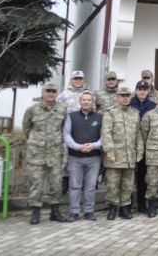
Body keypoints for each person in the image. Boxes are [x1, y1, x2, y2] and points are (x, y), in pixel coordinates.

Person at [24, 82, 68, 225]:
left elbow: (63, 129)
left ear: (56, 93)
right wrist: (36, 142)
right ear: (43, 93)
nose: (50, 93)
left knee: (56, 183)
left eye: (53, 91)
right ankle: (35, 212)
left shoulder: (62, 110)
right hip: (37, 153)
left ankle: (55, 212)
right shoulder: (32, 109)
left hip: (55, 153)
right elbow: (26, 128)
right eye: (48, 91)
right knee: (36, 183)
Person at [101, 87, 144, 220]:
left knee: (128, 184)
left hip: (130, 156)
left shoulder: (135, 113)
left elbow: (138, 134)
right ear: (117, 97)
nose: (125, 98)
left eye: (127, 95)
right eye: (122, 95)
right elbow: (106, 133)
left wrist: (140, 151)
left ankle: (125, 208)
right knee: (113, 184)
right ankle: (113, 207)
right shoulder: (110, 113)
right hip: (115, 156)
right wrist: (109, 151)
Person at [63, 90, 102, 221]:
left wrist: (94, 145)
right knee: (74, 186)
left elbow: (104, 136)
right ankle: (74, 211)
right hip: (75, 157)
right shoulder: (71, 116)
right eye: (84, 100)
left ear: (92, 102)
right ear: (80, 102)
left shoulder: (99, 117)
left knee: (90, 187)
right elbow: (66, 135)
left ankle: (89, 211)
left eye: (88, 100)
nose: (86, 102)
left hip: (94, 157)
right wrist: (78, 147)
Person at [130, 80, 156, 214]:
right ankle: (126, 206)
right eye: (139, 89)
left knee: (142, 178)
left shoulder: (152, 105)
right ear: (136, 91)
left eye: (145, 89)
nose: (142, 91)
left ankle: (141, 204)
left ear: (148, 91)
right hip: (129, 144)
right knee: (128, 177)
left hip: (146, 145)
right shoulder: (129, 103)